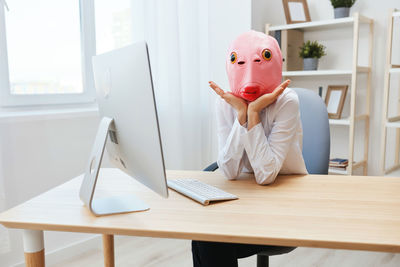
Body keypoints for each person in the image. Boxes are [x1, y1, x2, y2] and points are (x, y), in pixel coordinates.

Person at [192, 30, 308, 267]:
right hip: (244, 200)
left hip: (284, 205)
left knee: (209, 241)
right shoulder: (225, 104)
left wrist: (253, 114)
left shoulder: (287, 101)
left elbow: (266, 175)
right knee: (202, 234)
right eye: (239, 62)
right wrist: (241, 115)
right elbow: (229, 171)